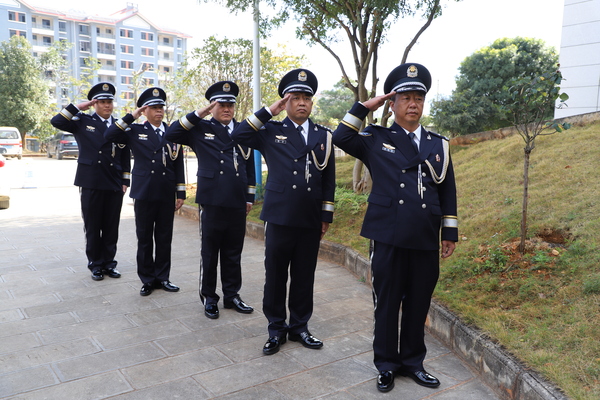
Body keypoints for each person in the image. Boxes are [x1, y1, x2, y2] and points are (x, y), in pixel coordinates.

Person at [332, 63, 458, 392]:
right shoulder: (376, 137)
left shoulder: (437, 144)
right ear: (394, 103)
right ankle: (386, 364)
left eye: (418, 97)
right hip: (387, 234)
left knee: (418, 302)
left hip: (425, 234)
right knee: (387, 303)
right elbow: (341, 137)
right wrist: (365, 105)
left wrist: (450, 231)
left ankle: (413, 362)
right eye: (406, 98)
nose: (413, 103)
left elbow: (447, 189)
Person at [231, 68, 335, 355]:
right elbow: (238, 136)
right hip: (279, 216)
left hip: (310, 217)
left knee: (305, 275)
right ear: (286, 102)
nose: (302, 102)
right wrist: (268, 110)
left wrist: (326, 215)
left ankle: (300, 326)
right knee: (276, 274)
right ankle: (276, 328)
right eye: (296, 97)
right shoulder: (271, 131)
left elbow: (328, 178)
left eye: (307, 98)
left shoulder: (323, 135)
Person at [165, 81, 256, 319]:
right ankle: (209, 297)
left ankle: (232, 295)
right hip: (213, 200)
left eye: (230, 105)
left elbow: (248, 164)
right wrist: (199, 114)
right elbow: (171, 133)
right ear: (212, 106)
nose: (226, 109)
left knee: (233, 251)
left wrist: (249, 196)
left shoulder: (243, 130)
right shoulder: (200, 128)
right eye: (221, 104)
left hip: (237, 200)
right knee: (210, 252)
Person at [105, 87, 185, 296]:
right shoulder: (135, 130)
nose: (159, 112)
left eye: (161, 108)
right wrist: (133, 115)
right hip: (144, 192)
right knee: (145, 237)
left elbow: (178, 165)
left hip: (166, 191)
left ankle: (163, 277)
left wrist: (181, 192)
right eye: (154, 108)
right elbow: (109, 134)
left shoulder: (173, 132)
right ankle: (147, 279)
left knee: (164, 237)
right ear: (146, 110)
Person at [50, 82, 131, 281]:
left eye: (109, 102)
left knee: (111, 225)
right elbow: (57, 121)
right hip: (91, 180)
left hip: (113, 181)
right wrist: (78, 106)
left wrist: (125, 180)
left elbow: (124, 154)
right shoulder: (81, 121)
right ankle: (95, 264)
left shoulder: (119, 125)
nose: (107, 106)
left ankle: (109, 263)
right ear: (95, 104)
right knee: (93, 225)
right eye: (102, 102)